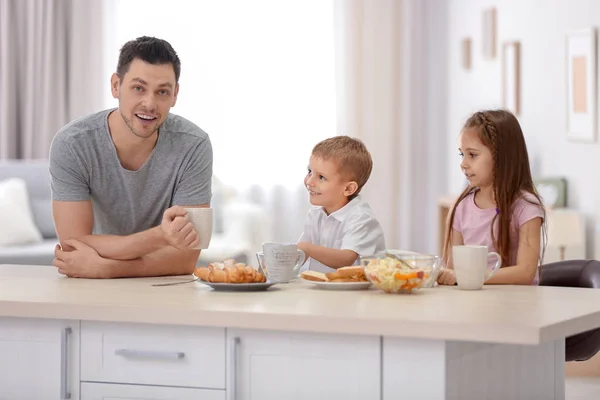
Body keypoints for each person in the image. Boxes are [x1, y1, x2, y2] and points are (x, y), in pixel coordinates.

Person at [49, 36, 212, 279]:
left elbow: (186, 257)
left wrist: (109, 268)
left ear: (175, 94)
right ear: (116, 85)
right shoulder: (73, 144)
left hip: (162, 287)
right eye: (138, 88)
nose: (150, 103)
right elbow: (73, 246)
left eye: (162, 92)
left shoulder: (193, 145)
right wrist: (161, 237)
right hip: (90, 285)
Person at [438, 110, 546, 286]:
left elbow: (525, 272)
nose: (463, 164)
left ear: (501, 157)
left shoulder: (526, 208)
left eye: (472, 155)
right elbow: (453, 271)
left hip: (518, 307)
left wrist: (472, 276)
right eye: (461, 154)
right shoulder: (461, 207)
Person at [297, 136, 386, 273]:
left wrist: (307, 248)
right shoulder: (315, 215)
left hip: (362, 293)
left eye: (321, 177)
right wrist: (278, 264)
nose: (309, 182)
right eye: (310, 172)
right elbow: (300, 254)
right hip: (324, 291)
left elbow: (346, 258)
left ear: (348, 189)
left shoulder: (361, 218)